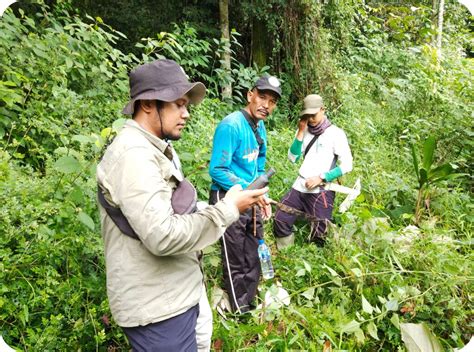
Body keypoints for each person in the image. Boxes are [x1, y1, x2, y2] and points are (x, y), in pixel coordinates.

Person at [96, 59, 269, 351]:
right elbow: (162, 235)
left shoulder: (157, 147)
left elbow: (171, 209)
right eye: (178, 104)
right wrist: (227, 209)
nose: (186, 113)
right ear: (149, 104)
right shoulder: (133, 157)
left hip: (180, 289)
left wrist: (227, 201)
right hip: (158, 309)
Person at [208, 75, 281, 313]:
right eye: (262, 97)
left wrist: (260, 195)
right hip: (227, 197)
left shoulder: (260, 127)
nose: (266, 105)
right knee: (235, 254)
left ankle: (249, 299)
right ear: (250, 95)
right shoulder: (232, 125)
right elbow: (218, 170)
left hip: (251, 199)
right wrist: (249, 191)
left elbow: (260, 167)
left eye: (272, 101)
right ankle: (238, 307)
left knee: (254, 249)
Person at [273, 94, 353, 248]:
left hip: (322, 190)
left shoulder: (336, 134)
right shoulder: (305, 131)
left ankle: (313, 261)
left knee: (320, 233)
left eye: (313, 115)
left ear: (323, 110)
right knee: (280, 218)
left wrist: (322, 178)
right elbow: (292, 158)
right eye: (307, 116)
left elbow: (347, 165)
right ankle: (286, 254)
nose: (310, 119)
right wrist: (300, 132)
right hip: (300, 186)